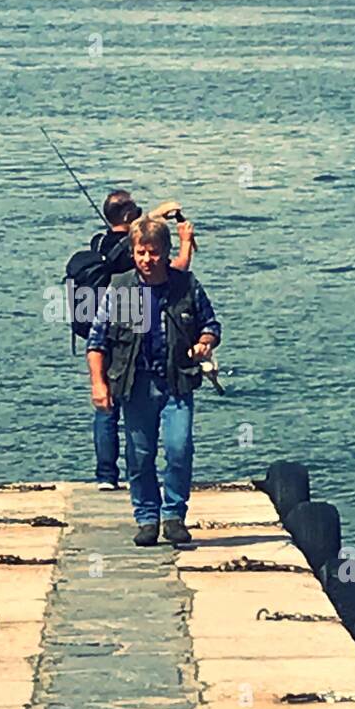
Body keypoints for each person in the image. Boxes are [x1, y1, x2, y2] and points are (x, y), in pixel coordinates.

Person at [86, 215, 221, 545]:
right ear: (133, 253)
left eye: (154, 252)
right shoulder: (120, 289)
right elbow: (97, 341)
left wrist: (204, 343)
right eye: (141, 252)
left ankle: (174, 515)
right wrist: (98, 384)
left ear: (166, 251)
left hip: (176, 383)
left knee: (179, 448)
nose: (148, 259)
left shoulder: (186, 286)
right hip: (136, 386)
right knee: (140, 454)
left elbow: (211, 325)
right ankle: (147, 517)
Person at [90, 190, 195, 491]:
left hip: (115, 334)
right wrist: (184, 241)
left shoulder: (101, 243)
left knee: (107, 405)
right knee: (121, 406)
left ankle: (106, 474)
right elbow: (176, 269)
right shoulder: (131, 253)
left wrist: (155, 215)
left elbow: (141, 233)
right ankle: (115, 477)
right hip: (128, 329)